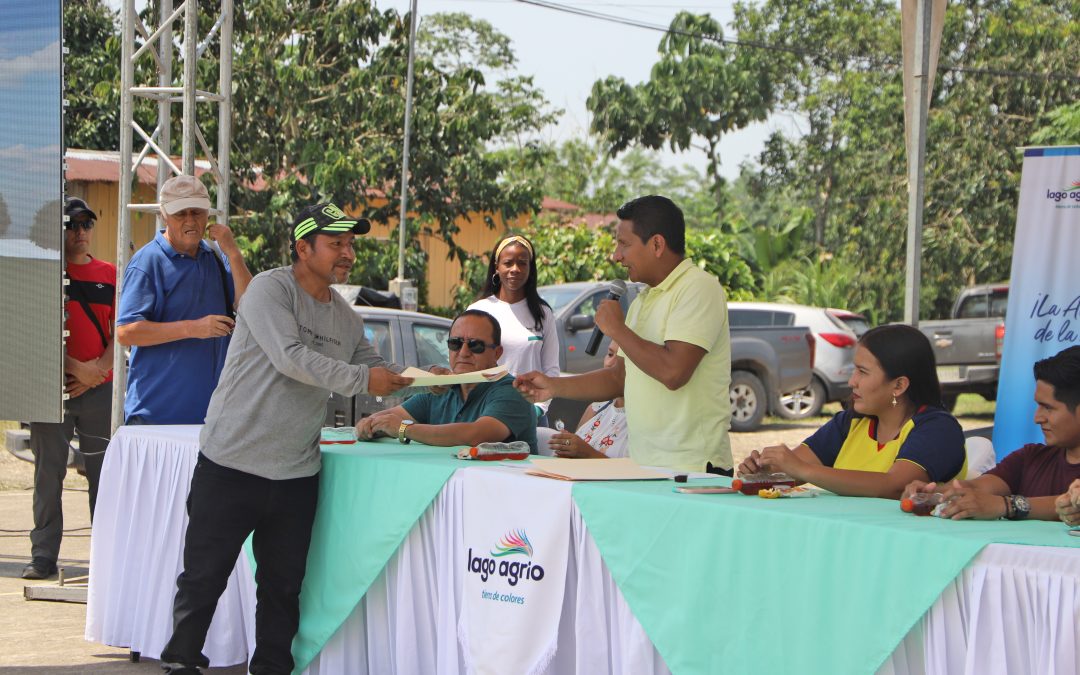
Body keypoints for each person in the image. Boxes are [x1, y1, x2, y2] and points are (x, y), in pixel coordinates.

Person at [159, 203, 415, 675]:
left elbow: (379, 366)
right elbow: (291, 358)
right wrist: (366, 380)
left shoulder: (345, 316)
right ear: (303, 248)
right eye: (336, 244)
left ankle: (273, 669)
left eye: (351, 244)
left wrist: (425, 377)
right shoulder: (266, 290)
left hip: (297, 473)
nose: (348, 253)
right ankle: (180, 660)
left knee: (282, 589)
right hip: (231, 463)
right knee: (203, 578)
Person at [515, 195, 732, 473]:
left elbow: (674, 372)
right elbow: (619, 377)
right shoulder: (643, 299)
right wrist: (553, 386)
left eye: (624, 244)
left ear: (656, 244)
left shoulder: (698, 289)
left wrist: (618, 329)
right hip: (643, 465)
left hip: (692, 468)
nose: (617, 256)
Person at [739, 324, 966, 499]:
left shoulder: (938, 428)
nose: (852, 381)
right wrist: (763, 470)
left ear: (899, 386)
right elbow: (791, 470)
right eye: (853, 370)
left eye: (862, 372)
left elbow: (895, 486)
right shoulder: (850, 422)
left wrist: (804, 470)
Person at [23, 198, 115, 580]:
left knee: (104, 477)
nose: (79, 232)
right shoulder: (44, 273)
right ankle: (43, 556)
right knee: (48, 476)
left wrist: (97, 370)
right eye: (72, 225)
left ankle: (108, 559)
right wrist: (75, 367)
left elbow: (122, 331)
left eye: (86, 225)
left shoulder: (111, 273)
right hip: (54, 389)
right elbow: (32, 329)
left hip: (100, 389)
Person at [116, 174, 253, 424]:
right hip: (156, 417)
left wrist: (233, 252)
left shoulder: (215, 255)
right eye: (181, 213)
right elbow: (126, 332)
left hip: (212, 417)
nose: (191, 220)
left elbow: (251, 307)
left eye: (197, 212)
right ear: (163, 215)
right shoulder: (148, 262)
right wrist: (194, 328)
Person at [905, 345, 1080, 521]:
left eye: (1048, 408)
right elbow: (977, 488)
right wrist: (931, 494)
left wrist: (1005, 505)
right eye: (1038, 405)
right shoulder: (1031, 458)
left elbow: (1071, 504)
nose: (1037, 418)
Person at [357, 309, 538, 453]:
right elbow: (391, 417)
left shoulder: (512, 390)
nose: (464, 352)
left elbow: (475, 435)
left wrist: (404, 429)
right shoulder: (441, 386)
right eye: (455, 343)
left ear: (497, 353)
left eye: (475, 345)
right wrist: (370, 425)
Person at [467, 234, 559, 420]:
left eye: (522, 263)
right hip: (485, 414)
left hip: (531, 415)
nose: (515, 269)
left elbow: (551, 371)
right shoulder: (477, 310)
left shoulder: (543, 314)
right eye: (508, 263)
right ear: (496, 267)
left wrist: (538, 409)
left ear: (530, 268)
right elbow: (465, 366)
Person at [544, 341, 628, 459]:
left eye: (623, 359)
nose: (610, 363)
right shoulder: (597, 408)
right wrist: (568, 447)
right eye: (610, 354)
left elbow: (638, 473)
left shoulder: (648, 419)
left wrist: (587, 453)